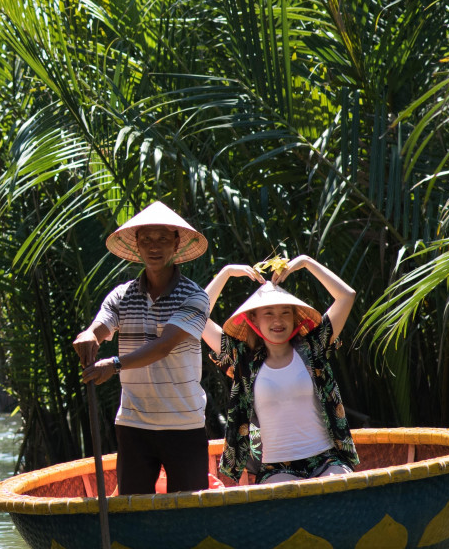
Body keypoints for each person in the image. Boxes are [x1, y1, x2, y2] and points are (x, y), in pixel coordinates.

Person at [76, 200, 213, 495]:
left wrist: (112, 365)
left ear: (176, 244)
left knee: (190, 510)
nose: (154, 247)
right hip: (134, 423)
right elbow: (101, 326)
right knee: (131, 507)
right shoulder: (121, 295)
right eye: (147, 240)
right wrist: (88, 336)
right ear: (137, 245)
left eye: (163, 239)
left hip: (183, 423)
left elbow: (164, 346)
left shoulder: (195, 296)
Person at [202, 255, 360, 484]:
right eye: (269, 313)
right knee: (278, 499)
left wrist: (306, 262)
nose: (278, 320)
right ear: (254, 320)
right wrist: (226, 272)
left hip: (326, 459)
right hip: (275, 467)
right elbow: (196, 316)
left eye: (285, 312)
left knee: (339, 488)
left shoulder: (313, 347)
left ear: (295, 318)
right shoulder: (244, 360)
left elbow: (347, 296)